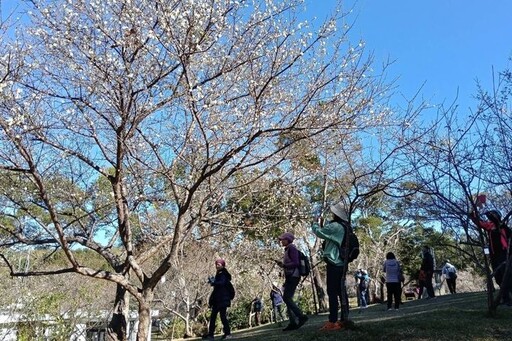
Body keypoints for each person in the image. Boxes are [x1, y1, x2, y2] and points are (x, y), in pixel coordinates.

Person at [311, 202, 349, 331]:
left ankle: (333, 321)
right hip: (341, 263)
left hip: (334, 261)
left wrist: (315, 222)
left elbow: (319, 232)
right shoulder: (345, 227)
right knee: (341, 292)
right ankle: (344, 319)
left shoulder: (335, 226)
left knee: (332, 292)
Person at [470, 209, 511, 303]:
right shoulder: (490, 226)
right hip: (494, 255)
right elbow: (480, 223)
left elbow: (499, 223)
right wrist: (473, 215)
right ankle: (506, 298)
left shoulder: (503, 227)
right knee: (498, 277)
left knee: (507, 276)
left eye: (493, 215)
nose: (490, 217)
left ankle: (508, 297)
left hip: (504, 254)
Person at [275, 232, 308, 331]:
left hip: (294, 276)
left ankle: (301, 316)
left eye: (283, 239)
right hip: (290, 276)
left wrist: (284, 265)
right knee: (287, 298)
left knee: (287, 297)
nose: (281, 241)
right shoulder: (287, 249)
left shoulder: (292, 248)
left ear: (288, 240)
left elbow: (296, 263)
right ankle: (292, 322)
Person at [203, 259, 233, 340]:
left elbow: (221, 283)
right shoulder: (218, 274)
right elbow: (216, 289)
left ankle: (227, 334)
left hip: (222, 299)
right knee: (213, 317)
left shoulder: (223, 274)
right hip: (217, 300)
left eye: (219, 264)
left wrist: (214, 282)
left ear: (223, 265)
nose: (217, 266)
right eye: (216, 264)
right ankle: (211, 335)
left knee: (222, 316)